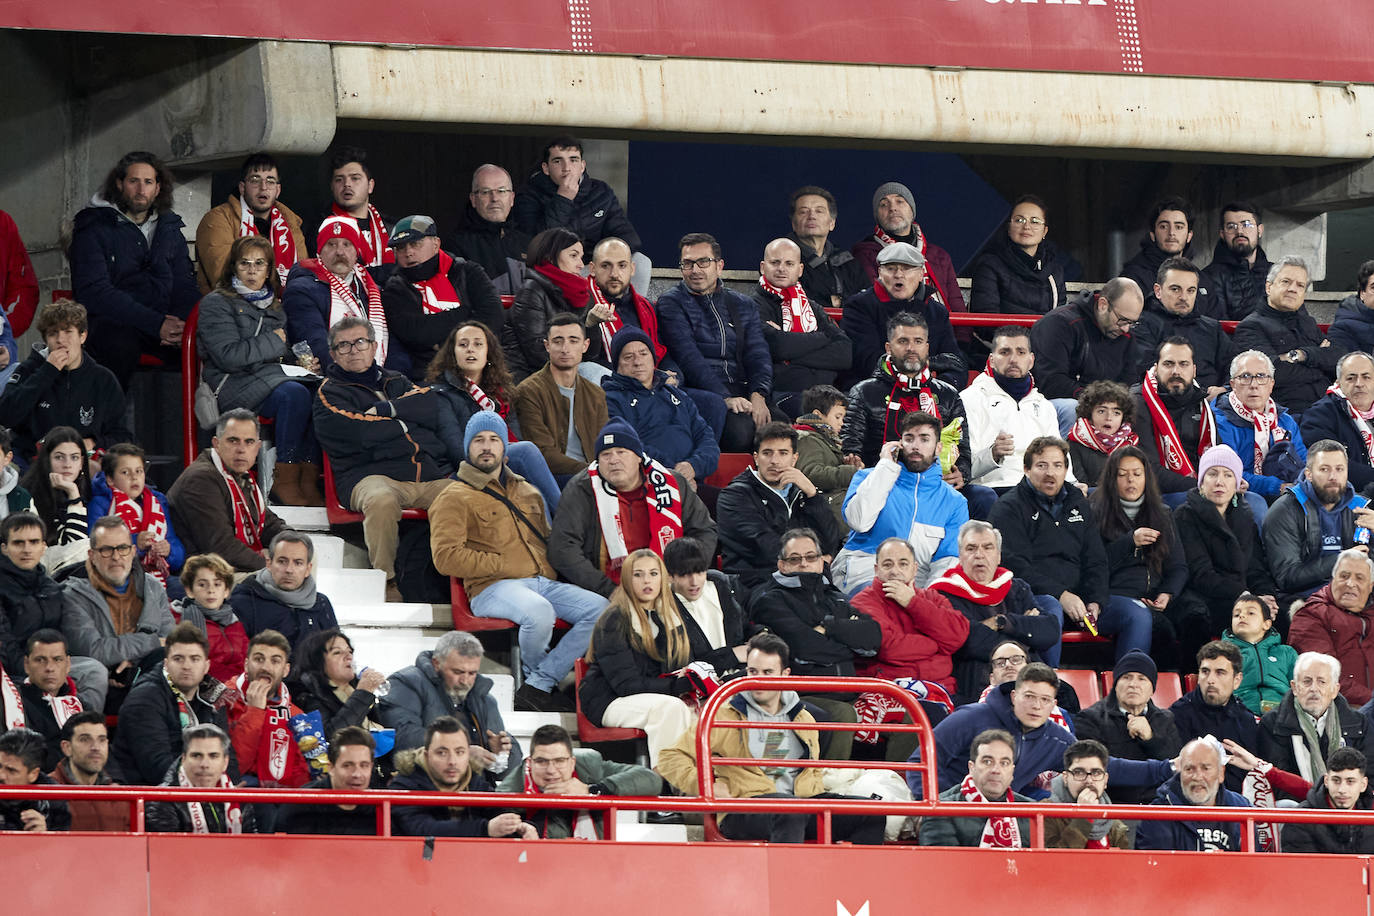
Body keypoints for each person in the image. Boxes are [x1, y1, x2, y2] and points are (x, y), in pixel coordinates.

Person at [429, 412, 605, 712]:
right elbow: (446, 557)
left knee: (602, 610)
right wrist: (499, 564)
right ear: (467, 448)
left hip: (541, 582)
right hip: (492, 587)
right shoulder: (453, 496)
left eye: (494, 440)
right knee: (539, 612)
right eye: (478, 440)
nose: (487, 446)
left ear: (505, 447)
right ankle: (540, 685)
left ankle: (538, 684)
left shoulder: (527, 489)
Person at [657, 632, 885, 844]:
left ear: (785, 675)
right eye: (752, 672)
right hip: (745, 807)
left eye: (767, 672)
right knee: (789, 810)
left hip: (800, 803)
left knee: (870, 812)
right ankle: (789, 885)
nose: (757, 680)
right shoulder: (721, 714)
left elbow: (807, 773)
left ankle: (853, 885)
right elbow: (669, 757)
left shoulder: (804, 717)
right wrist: (706, 785)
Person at [312, 318, 452, 597]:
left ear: (374, 346)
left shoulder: (396, 379)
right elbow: (359, 434)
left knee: (465, 496)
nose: (353, 350)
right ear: (334, 354)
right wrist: (404, 423)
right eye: (344, 345)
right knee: (382, 500)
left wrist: (385, 411)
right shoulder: (328, 393)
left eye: (360, 342)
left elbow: (429, 406)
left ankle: (461, 578)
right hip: (368, 478)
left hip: (424, 475)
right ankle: (386, 582)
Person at [989, 437, 1152, 662]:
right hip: (1036, 599)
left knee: (1137, 613)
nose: (1050, 473)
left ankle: (1128, 687)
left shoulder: (1079, 503)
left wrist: (1095, 600)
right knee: (1051, 612)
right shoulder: (1008, 507)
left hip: (1080, 599)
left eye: (1057, 466)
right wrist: (1062, 595)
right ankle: (1047, 688)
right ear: (1026, 469)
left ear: (1066, 469)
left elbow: (1096, 559)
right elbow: (1015, 567)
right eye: (1041, 465)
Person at [195, 234, 321, 505]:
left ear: (269, 269)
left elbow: (277, 351)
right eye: (245, 263)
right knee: (294, 395)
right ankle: (284, 478)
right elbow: (229, 356)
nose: (252, 271)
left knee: (318, 392)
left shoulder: (275, 305)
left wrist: (301, 362)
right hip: (229, 384)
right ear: (233, 267)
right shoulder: (216, 303)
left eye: (259, 264)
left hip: (265, 377)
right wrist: (274, 342)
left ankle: (307, 477)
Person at [68, 150, 197, 386]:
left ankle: (191, 422)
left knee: (206, 341)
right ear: (119, 184)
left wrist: (181, 326)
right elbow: (95, 292)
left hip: (162, 322)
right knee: (119, 345)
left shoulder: (169, 228)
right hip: (113, 321)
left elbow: (184, 285)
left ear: (158, 188)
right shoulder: (93, 226)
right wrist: (156, 324)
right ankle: (110, 421)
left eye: (148, 182)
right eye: (133, 181)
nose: (141, 190)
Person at [549, 419, 716, 597]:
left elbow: (704, 530)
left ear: (638, 457)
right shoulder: (582, 488)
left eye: (621, 452)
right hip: (608, 589)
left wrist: (685, 572)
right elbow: (562, 547)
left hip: (671, 582)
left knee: (716, 589)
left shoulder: (673, 484)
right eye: (606, 455)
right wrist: (609, 590)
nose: (613, 460)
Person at [578, 549, 700, 765]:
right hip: (610, 700)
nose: (647, 580)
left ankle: (700, 782)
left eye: (654, 574)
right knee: (670, 708)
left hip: (653, 695)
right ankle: (670, 783)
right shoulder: (614, 619)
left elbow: (680, 669)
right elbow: (628, 686)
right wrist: (677, 686)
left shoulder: (672, 617)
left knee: (702, 710)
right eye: (638, 574)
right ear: (627, 579)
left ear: (663, 578)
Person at [425, 320, 562, 513]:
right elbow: (457, 451)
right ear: (453, 354)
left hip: (503, 462)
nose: (470, 350)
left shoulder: (502, 394)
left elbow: (515, 436)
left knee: (537, 491)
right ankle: (565, 530)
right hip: (464, 470)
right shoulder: (441, 394)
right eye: (463, 345)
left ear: (488, 352)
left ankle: (552, 539)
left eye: (478, 344)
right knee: (526, 452)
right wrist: (499, 457)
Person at [657, 232, 774, 453]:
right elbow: (689, 358)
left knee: (783, 426)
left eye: (703, 262)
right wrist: (725, 398)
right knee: (741, 433)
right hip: (703, 390)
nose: (695, 270)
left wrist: (759, 394)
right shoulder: (670, 303)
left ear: (719, 266)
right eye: (688, 263)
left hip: (744, 388)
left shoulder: (743, 304)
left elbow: (758, 354)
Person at [834, 411, 968, 593]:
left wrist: (928, 601)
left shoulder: (955, 502)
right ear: (899, 443)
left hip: (918, 585)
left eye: (924, 439)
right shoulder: (868, 477)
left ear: (938, 448)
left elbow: (947, 561)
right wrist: (885, 467)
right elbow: (858, 522)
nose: (915, 446)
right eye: (909, 438)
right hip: (864, 573)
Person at [932, 520, 1062, 701]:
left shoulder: (1016, 588)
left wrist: (1002, 622)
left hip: (1030, 682)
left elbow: (1050, 631)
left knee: (1068, 698)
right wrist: (1024, 633)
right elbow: (968, 642)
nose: (979, 555)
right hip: (975, 686)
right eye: (971, 549)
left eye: (987, 548)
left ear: (999, 556)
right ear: (960, 556)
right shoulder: (943, 594)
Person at [840, 311, 972, 485]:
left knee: (983, 497)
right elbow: (851, 446)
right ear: (888, 348)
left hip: (934, 484)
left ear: (927, 347)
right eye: (903, 341)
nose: (911, 348)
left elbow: (962, 448)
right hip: (882, 483)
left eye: (918, 341)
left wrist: (962, 472)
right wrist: (855, 463)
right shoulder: (864, 392)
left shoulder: (948, 395)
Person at [1087, 446, 1191, 664]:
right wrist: (1128, 542)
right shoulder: (1095, 512)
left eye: (1137, 474)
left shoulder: (1162, 513)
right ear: (1111, 479)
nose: (1130, 481)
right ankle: (1128, 682)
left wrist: (1167, 594)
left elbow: (1178, 566)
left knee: (1194, 615)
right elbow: (1092, 567)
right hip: (1111, 599)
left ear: (1147, 477)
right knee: (1141, 616)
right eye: (1122, 475)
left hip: (1153, 597)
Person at [1171, 446, 1278, 655]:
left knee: (1279, 615)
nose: (1219, 481)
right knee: (1197, 618)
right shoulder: (1185, 516)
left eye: (1228, 475)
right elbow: (1201, 575)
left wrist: (1267, 596)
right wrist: (1246, 597)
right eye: (1212, 474)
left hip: (1240, 595)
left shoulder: (1245, 517)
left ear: (1237, 483)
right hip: (1204, 595)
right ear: (1201, 482)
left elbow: (1256, 568)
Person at [375, 630, 521, 779]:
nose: (465, 681)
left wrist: (500, 755)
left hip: (474, 791)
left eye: (472, 673)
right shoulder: (406, 683)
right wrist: (462, 753)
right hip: (421, 789)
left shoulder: (484, 697)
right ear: (436, 663)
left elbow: (512, 768)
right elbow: (403, 739)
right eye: (458, 672)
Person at [0, 298, 130, 463]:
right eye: (53, 333)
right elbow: (6, 416)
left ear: (82, 336)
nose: (61, 340)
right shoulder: (29, 371)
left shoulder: (103, 380)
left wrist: (93, 443)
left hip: (85, 464)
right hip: (34, 462)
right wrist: (47, 372)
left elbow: (123, 436)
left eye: (68, 331)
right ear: (46, 339)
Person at [917, 663, 1073, 799]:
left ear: (1054, 704)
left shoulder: (1058, 739)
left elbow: (1089, 766)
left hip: (1005, 817)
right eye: (1029, 696)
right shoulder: (970, 717)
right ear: (1014, 696)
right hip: (953, 810)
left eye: (1045, 699)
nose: (1037, 706)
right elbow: (920, 761)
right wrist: (939, 805)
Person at [512, 136, 646, 292]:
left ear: (582, 166)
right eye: (557, 161)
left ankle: (633, 310)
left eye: (573, 160)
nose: (566, 168)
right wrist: (563, 198)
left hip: (593, 266)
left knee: (641, 261)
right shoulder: (529, 195)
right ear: (546, 168)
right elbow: (539, 245)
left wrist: (603, 260)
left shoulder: (601, 192)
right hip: (555, 269)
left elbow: (628, 237)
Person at [62, 517, 174, 702]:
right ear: (92, 555)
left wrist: (133, 662)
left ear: (132, 552)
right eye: (106, 550)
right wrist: (151, 643)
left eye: (122, 548)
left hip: (147, 675)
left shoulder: (153, 588)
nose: (116, 557)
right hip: (104, 684)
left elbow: (170, 642)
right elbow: (94, 651)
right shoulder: (73, 595)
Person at [748, 527, 881, 682]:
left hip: (851, 691)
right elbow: (804, 648)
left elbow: (873, 638)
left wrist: (828, 627)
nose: (804, 563)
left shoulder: (835, 597)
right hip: (803, 694)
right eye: (794, 559)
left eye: (810, 557)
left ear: (820, 562)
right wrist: (851, 648)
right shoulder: (770, 600)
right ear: (782, 565)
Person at [718, 422, 840, 590]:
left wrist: (813, 494)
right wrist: (812, 560)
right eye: (767, 453)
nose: (775, 461)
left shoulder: (803, 493)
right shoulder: (734, 496)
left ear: (794, 458)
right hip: (757, 585)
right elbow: (764, 548)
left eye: (783, 453)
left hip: (808, 582)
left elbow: (829, 541)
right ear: (756, 458)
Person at [0, 512, 104, 708]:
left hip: (53, 662)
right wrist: (35, 672)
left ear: (43, 547)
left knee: (94, 671)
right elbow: (5, 645)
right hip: (16, 669)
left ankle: (84, 730)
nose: (27, 549)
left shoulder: (52, 586)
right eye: (18, 543)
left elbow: (70, 634)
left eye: (33, 542)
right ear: (4, 548)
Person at [111, 622, 235, 785]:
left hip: (197, 788)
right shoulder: (144, 699)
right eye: (178, 659)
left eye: (194, 659)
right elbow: (156, 766)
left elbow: (226, 754)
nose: (186, 666)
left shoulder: (212, 694)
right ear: (166, 664)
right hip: (150, 794)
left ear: (206, 666)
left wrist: (233, 790)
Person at [168, 409, 286, 575]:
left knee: (302, 558)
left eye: (249, 442)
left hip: (230, 569)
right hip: (206, 578)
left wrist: (292, 543)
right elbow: (221, 548)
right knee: (285, 576)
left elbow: (268, 524)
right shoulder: (201, 479)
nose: (241, 449)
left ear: (258, 447)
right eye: (233, 441)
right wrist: (269, 566)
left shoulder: (240, 476)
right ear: (216, 444)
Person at [497, 723, 663, 839]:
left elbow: (651, 779)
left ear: (572, 762)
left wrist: (591, 791)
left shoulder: (589, 766)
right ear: (530, 762)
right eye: (542, 761)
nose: (551, 770)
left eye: (560, 761)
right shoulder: (511, 791)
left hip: (594, 865)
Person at [602, 326, 719, 489]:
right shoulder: (610, 398)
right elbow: (628, 445)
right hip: (649, 485)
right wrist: (674, 474)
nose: (637, 362)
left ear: (653, 358)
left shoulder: (677, 395)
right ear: (617, 365)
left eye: (643, 354)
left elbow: (706, 437)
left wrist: (693, 466)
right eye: (628, 357)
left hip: (691, 479)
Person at [382, 214, 504, 368]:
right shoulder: (394, 288)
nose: (408, 252)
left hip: (484, 366)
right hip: (429, 374)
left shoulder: (468, 271)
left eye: (415, 243)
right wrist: (464, 312)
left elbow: (494, 316)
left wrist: (440, 341)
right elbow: (415, 333)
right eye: (400, 247)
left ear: (436, 243)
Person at [848, 538, 969, 692]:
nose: (895, 571)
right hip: (891, 692)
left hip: (940, 689)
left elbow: (956, 637)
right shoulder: (862, 602)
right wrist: (937, 644)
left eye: (903, 564)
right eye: (887, 564)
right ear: (876, 570)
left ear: (915, 569)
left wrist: (912, 602)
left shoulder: (933, 597)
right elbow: (889, 649)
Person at [285, 215, 402, 374]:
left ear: (356, 252)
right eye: (331, 244)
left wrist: (394, 378)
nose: (339, 252)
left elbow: (393, 345)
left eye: (347, 244)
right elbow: (316, 343)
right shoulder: (302, 290)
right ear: (320, 251)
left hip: (381, 378)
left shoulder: (373, 290)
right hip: (337, 381)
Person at [840, 242, 964, 390]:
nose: (898, 275)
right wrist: (927, 367)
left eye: (906, 268)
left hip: (928, 394)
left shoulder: (937, 312)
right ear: (880, 272)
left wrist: (940, 391)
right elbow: (867, 361)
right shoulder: (859, 306)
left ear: (920, 274)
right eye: (891, 268)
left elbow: (955, 364)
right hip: (876, 393)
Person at [750, 237, 851, 417]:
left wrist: (791, 356)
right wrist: (822, 337)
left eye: (789, 263)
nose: (782, 268)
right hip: (784, 394)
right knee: (819, 415)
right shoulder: (753, 305)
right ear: (763, 267)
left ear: (800, 269)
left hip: (828, 394)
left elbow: (844, 353)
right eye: (775, 262)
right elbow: (778, 346)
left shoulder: (812, 307)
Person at [389, 716, 536, 839]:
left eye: (460, 752)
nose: (452, 761)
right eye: (442, 753)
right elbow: (421, 829)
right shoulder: (404, 786)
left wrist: (520, 827)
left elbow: (499, 810)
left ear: (468, 754)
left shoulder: (474, 782)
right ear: (427, 755)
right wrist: (485, 829)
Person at [1030, 278, 1145, 435]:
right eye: (1122, 320)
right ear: (1103, 305)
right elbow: (1051, 382)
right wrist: (1096, 404)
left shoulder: (1126, 337)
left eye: (1132, 323)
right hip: (1053, 407)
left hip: (1104, 411)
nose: (1125, 329)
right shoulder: (1058, 324)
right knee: (1072, 409)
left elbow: (1128, 382)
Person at [1233, 256, 1343, 417]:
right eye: (1286, 282)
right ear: (1268, 287)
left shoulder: (1308, 323)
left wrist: (1302, 355)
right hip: (1288, 414)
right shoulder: (1250, 327)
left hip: (1329, 407)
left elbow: (1339, 359)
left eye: (1300, 285)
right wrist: (1320, 365)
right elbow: (1275, 374)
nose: (1293, 289)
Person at [959, 325, 1065, 492]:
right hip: (994, 488)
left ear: (1031, 361)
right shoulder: (969, 399)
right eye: (1005, 352)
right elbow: (962, 468)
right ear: (992, 360)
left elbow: (1060, 456)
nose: (1013, 359)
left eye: (1020, 352)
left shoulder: (1044, 405)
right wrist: (992, 454)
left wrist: (1073, 484)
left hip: (1039, 489)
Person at [1264, 441, 1373, 599]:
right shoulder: (1285, 510)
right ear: (1309, 474)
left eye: (1339, 469)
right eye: (1324, 469)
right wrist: (1342, 561)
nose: (1333, 477)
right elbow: (1287, 577)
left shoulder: (1361, 508)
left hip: (1355, 597)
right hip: (1305, 600)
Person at [1073, 650, 1182, 804]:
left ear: (1152, 689)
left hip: (1159, 807)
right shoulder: (1090, 718)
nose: (1133, 684)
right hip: (1113, 807)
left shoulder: (1165, 719)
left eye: (1142, 679)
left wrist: (1151, 738)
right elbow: (1093, 769)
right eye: (1126, 677)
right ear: (1115, 684)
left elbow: (1178, 767)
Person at [1256, 651, 1374, 788]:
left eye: (1321, 682)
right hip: (1297, 804)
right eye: (1307, 681)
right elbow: (1277, 781)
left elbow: (1368, 774)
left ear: (1335, 690)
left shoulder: (1359, 723)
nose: (1314, 689)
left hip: (1349, 803)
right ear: (1294, 687)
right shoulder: (1272, 724)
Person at [512, 313, 609, 478]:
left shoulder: (596, 394)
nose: (565, 348)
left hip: (596, 477)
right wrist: (593, 472)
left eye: (573, 341)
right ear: (547, 345)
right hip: (555, 477)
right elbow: (543, 454)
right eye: (558, 341)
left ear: (585, 345)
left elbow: (606, 443)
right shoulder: (529, 391)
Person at [195, 152, 306, 292]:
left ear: (278, 190)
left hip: (283, 307)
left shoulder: (291, 224)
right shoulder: (218, 219)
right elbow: (223, 278)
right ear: (242, 187)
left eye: (270, 181)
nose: (263, 187)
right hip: (230, 307)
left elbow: (302, 278)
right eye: (255, 180)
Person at [1131, 337, 1224, 501]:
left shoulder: (1201, 403)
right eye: (1168, 364)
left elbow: (1219, 455)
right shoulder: (1139, 402)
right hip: (1159, 494)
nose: (1176, 371)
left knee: (1254, 501)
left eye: (1183, 364)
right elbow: (1148, 468)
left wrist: (1232, 478)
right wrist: (1201, 487)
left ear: (1194, 370)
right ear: (1156, 368)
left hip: (1202, 487)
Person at [851, 181, 964, 313]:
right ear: (877, 216)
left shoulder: (939, 255)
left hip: (942, 328)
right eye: (883, 204)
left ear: (912, 211)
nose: (892, 208)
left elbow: (958, 308)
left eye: (899, 201)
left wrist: (960, 335)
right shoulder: (865, 253)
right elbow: (876, 304)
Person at [1212, 349, 1307, 502]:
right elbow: (1229, 472)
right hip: (1241, 495)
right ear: (1233, 384)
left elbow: (1303, 462)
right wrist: (1278, 487)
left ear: (1271, 384)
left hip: (1289, 491)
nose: (1254, 385)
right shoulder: (1220, 422)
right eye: (1245, 377)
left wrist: (1303, 483)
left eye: (1261, 377)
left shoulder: (1286, 421)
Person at [1170, 640, 1263, 792]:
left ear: (1237, 680)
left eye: (1220, 673)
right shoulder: (1177, 715)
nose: (1211, 680)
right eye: (1205, 672)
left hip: (1241, 806)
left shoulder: (1246, 719)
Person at [89, 444, 184, 591]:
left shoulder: (157, 502)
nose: (134, 477)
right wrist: (135, 543)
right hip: (116, 579)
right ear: (110, 479)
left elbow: (176, 549)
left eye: (139, 471)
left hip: (158, 576)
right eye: (125, 472)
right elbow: (95, 546)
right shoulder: (100, 504)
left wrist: (169, 550)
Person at [919, 728, 1034, 848]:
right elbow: (943, 863)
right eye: (988, 762)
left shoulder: (1033, 811)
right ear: (971, 767)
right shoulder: (940, 809)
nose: (996, 770)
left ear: (1012, 771)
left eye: (1004, 763)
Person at [226, 629, 310, 790]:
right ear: (246, 664)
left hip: (281, 800)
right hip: (238, 794)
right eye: (258, 659)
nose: (266, 667)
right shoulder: (224, 700)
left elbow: (302, 777)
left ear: (285, 670)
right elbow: (235, 767)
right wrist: (254, 711)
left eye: (275, 661)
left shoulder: (296, 715)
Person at [503, 228, 591, 381]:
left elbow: (591, 354)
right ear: (550, 257)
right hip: (529, 379)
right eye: (573, 256)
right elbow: (537, 353)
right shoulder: (531, 291)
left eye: (581, 257)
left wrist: (591, 324)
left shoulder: (580, 295)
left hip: (564, 370)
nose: (581, 265)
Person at [1135, 738, 1250, 851]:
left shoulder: (1241, 808)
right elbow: (1153, 866)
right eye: (1189, 769)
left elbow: (1254, 866)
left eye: (1206, 768)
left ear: (1221, 773)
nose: (1197, 777)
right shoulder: (1157, 815)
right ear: (1180, 773)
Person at [1290, 549, 1374, 705]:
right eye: (1344, 576)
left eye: (1359, 578)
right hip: (1339, 709)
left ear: (1370, 587)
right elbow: (1323, 678)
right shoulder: (1311, 615)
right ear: (1332, 579)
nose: (1350, 583)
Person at [1131, 257, 1230, 388]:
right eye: (1175, 289)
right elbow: (1145, 373)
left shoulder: (1212, 328)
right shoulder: (1142, 325)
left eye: (1191, 290)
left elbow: (1234, 366)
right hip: (1162, 401)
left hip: (1212, 403)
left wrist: (1225, 389)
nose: (1184, 297)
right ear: (1158, 291)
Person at [229, 531, 336, 648]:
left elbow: (335, 654)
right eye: (282, 561)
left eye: (298, 563)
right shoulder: (243, 601)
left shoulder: (321, 603)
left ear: (308, 569)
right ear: (269, 564)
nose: (289, 569)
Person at [663, 536, 751, 678]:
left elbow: (744, 627)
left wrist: (760, 635)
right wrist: (732, 655)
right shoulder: (663, 607)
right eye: (685, 575)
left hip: (743, 677)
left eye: (700, 572)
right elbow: (682, 668)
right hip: (704, 691)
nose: (694, 582)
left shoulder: (719, 584)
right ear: (670, 576)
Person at [967, 195, 1068, 316]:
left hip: (1044, 335)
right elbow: (985, 320)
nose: (1026, 226)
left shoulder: (1055, 272)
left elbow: (1059, 321)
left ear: (1044, 231)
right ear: (1009, 228)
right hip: (1001, 335)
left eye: (1034, 221)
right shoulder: (989, 265)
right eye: (1019, 220)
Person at [145, 723, 256, 834]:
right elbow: (164, 850)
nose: (204, 764)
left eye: (213, 756)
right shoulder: (161, 800)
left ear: (225, 762)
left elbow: (252, 847)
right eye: (196, 756)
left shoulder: (239, 801)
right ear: (183, 759)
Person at [277, 726, 380, 836]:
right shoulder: (300, 805)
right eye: (347, 765)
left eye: (364, 766)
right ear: (330, 767)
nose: (357, 774)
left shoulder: (382, 809)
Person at [445, 163, 530, 296]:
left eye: (501, 191)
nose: (494, 198)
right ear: (473, 200)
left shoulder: (527, 243)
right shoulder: (456, 247)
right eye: (485, 192)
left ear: (512, 198)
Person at [288, 629, 387, 740]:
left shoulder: (354, 689)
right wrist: (362, 695)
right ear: (318, 661)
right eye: (337, 652)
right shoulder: (308, 694)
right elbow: (330, 738)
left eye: (349, 651)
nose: (348, 657)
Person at [786, 185, 870, 311]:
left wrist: (840, 301)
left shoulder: (846, 260)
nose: (811, 216)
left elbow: (867, 298)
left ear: (832, 223)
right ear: (794, 224)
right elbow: (792, 300)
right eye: (803, 211)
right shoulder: (782, 257)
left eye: (819, 211)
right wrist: (832, 301)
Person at [1301, 351, 1374, 493]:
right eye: (1351, 378)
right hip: (1348, 496)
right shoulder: (1319, 415)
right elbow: (1331, 466)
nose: (1359, 383)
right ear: (1338, 383)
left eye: (1366, 377)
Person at [1282, 746, 1374, 854]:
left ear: (1363, 785)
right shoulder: (1300, 820)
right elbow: (1302, 868)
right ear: (1326, 781)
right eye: (1336, 780)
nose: (1342, 790)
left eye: (1350, 781)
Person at [172, 553, 248, 684]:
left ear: (226, 591)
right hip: (204, 689)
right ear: (189, 590)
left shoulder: (234, 622)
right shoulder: (180, 621)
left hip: (239, 686)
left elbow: (247, 660)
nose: (211, 590)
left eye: (217, 584)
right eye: (202, 585)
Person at [322, 146, 393, 284]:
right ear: (332, 187)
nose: (347, 184)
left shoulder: (391, 228)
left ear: (370, 186)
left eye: (355, 178)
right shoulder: (321, 228)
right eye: (339, 180)